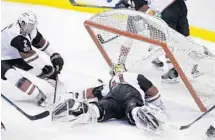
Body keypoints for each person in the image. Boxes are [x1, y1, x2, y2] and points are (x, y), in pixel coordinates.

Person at [52, 64, 167, 132]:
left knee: (100, 109)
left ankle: (79, 109)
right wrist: (157, 106)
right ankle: (141, 113)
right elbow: (152, 91)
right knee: (133, 107)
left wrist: (74, 95)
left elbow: (94, 92)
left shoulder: (111, 82)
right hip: (129, 91)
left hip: (113, 95)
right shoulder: (134, 75)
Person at [114, 0, 206, 82]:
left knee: (166, 39)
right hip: (178, 5)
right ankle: (193, 62)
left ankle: (123, 62)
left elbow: (143, 7)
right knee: (182, 37)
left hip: (160, 10)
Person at [1, 11, 64, 106]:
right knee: (14, 76)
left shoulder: (30, 30)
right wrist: (46, 68)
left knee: (38, 69)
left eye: (33, 25)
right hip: (1, 58)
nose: (32, 27)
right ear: (22, 23)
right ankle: (38, 95)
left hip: (15, 53)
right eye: (30, 25)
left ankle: (56, 83)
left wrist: (54, 55)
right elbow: (31, 58)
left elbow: (41, 43)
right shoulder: (16, 35)